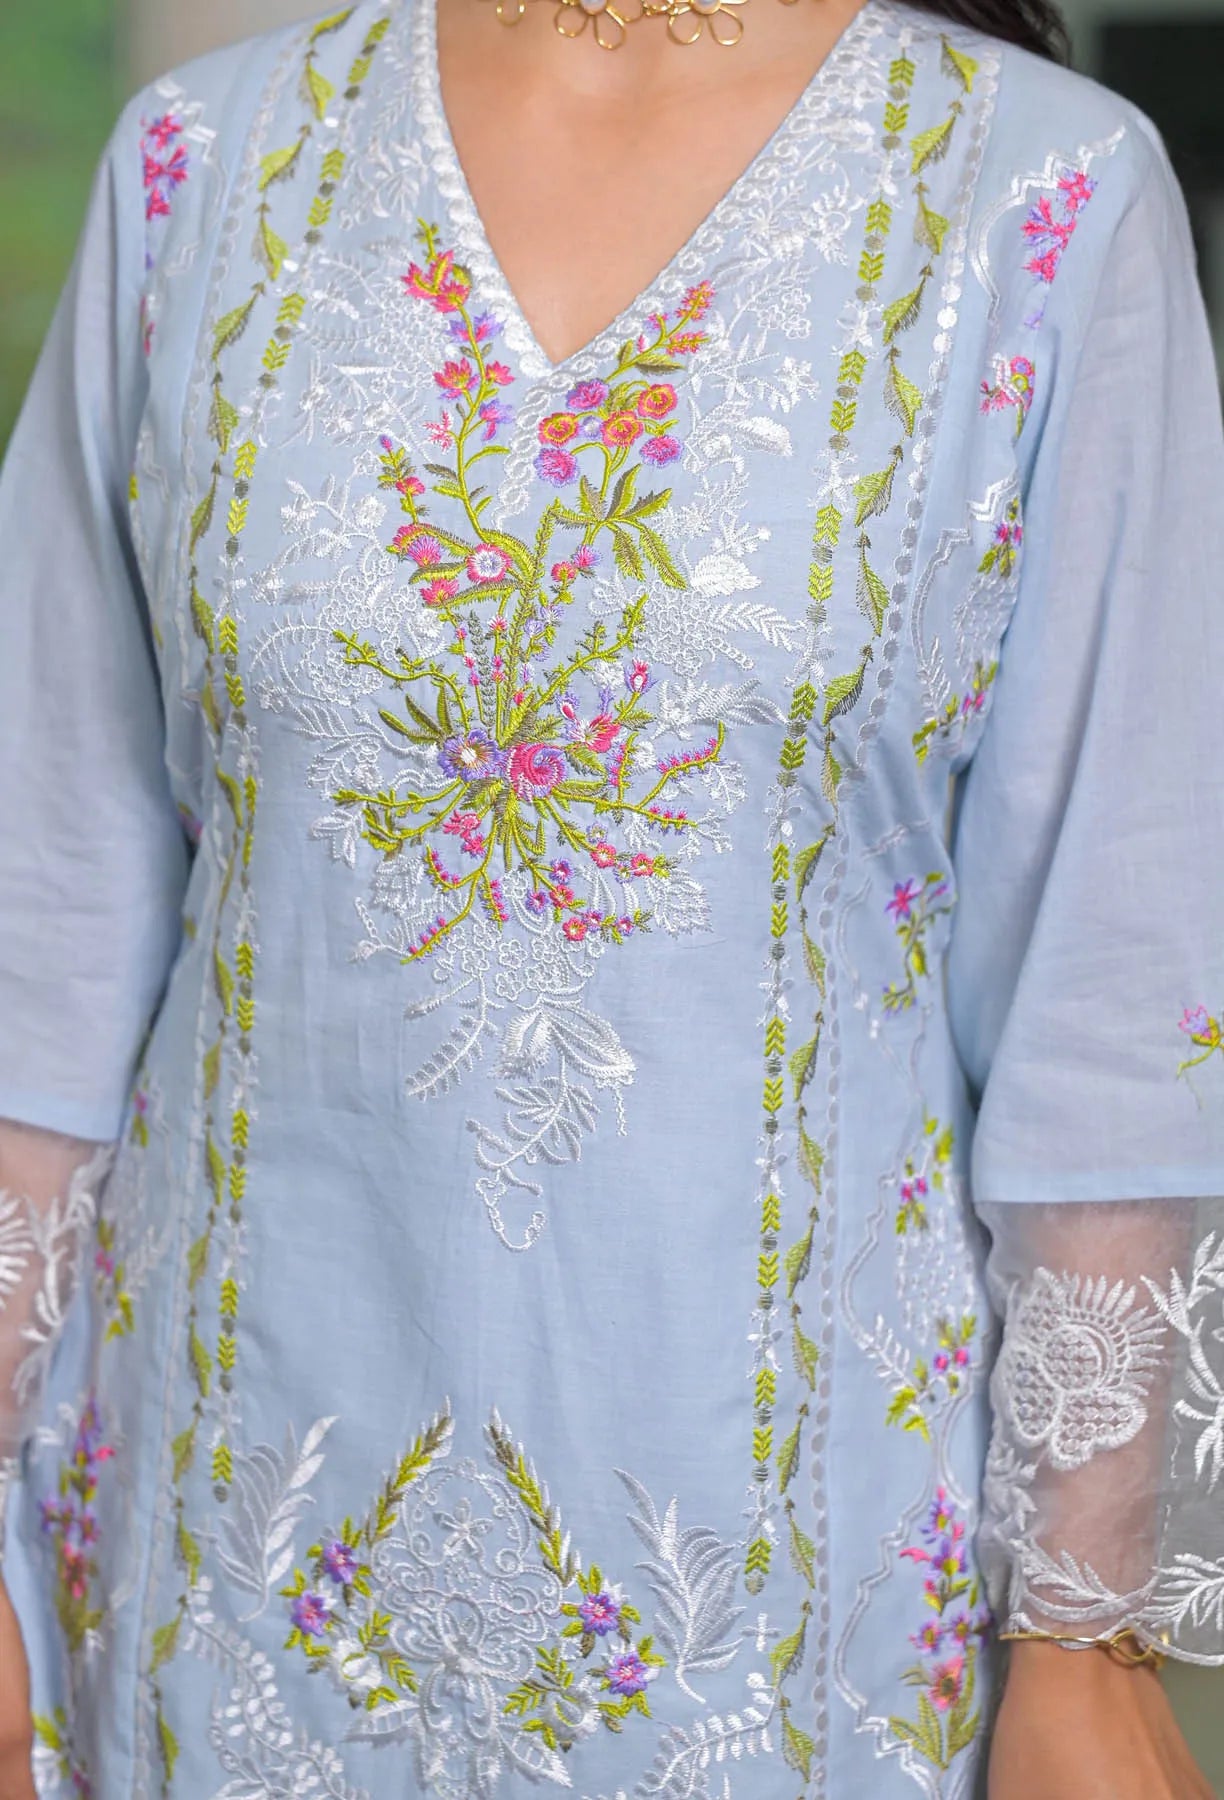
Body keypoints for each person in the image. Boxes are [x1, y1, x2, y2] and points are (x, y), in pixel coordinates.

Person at [0, 0, 1221, 1792]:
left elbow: (1114, 968)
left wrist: (1084, 1640)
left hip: (812, 1641)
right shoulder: (203, 170)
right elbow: (45, 912)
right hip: (218, 1602)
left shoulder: (1034, 194)